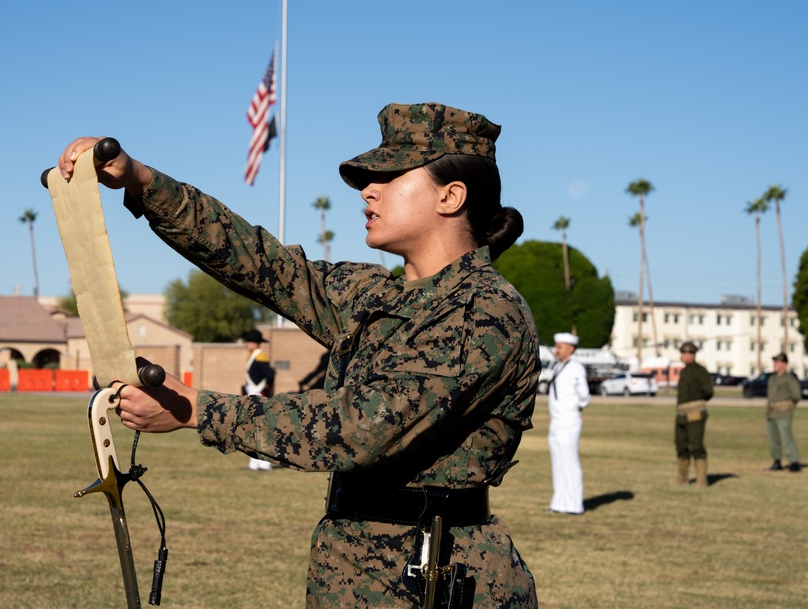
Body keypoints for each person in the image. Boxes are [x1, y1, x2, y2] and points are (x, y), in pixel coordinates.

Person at [56, 102, 540, 607]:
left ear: (451, 196)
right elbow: (255, 259)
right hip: (353, 568)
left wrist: (200, 409)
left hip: (436, 578)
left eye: (390, 176)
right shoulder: (374, 294)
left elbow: (363, 427)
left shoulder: (484, 310)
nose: (368, 191)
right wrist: (142, 181)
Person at [546, 332, 591, 515]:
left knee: (570, 463)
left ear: (571, 349)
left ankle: (574, 505)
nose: (556, 350)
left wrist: (575, 408)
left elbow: (584, 396)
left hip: (568, 421)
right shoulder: (559, 366)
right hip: (556, 421)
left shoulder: (575, 367)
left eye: (560, 347)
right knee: (558, 463)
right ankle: (559, 503)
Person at [674, 341, 714, 487]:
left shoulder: (700, 371)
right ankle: (682, 478)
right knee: (681, 445)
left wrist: (697, 401)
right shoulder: (684, 372)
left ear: (692, 354)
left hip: (695, 414)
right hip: (681, 414)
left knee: (696, 445)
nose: (682, 356)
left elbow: (708, 391)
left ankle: (701, 480)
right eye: (682, 353)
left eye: (685, 353)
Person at [241, 329, 276, 471]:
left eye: (249, 342)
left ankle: (265, 463)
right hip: (253, 395)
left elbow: (270, 375)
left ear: (255, 343)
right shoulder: (253, 356)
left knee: (262, 429)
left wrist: (265, 391)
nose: (247, 344)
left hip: (259, 395)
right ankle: (255, 462)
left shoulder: (260, 356)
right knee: (253, 429)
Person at [765, 352, 801, 472]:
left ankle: (794, 462)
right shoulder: (772, 379)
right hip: (771, 413)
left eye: (777, 362)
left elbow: (797, 395)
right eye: (774, 362)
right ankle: (777, 461)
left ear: (784, 364)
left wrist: (787, 405)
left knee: (787, 438)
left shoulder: (789, 379)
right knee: (773, 439)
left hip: (784, 414)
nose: (774, 365)